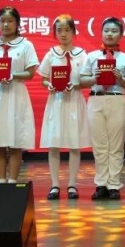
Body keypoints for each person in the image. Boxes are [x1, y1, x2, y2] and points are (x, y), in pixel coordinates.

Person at [0, 6, 39, 183]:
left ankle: (12, 182)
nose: (6, 24)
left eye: (10, 21)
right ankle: (1, 182)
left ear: (17, 23)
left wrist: (12, 75)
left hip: (16, 95)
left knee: (15, 140)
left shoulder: (26, 45)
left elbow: (30, 73)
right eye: (2, 21)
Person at [80, 17, 125, 201]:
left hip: (116, 99)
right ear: (101, 33)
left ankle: (114, 185)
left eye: (114, 31)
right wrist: (94, 78)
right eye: (106, 30)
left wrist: (120, 79)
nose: (109, 34)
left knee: (116, 145)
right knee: (99, 146)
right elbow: (82, 81)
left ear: (121, 34)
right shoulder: (91, 57)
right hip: (96, 99)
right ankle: (101, 184)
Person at [38, 14, 90, 200]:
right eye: (59, 31)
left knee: (74, 145)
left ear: (74, 32)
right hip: (56, 102)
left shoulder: (82, 55)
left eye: (67, 30)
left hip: (74, 101)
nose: (63, 34)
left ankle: (72, 185)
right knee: (54, 144)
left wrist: (76, 85)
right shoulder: (51, 54)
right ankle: (54, 185)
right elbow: (44, 79)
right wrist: (49, 85)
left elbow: (87, 79)